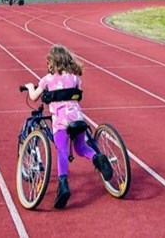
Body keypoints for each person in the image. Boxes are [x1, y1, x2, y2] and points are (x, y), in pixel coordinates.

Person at [22, 45, 113, 208]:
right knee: (81, 147)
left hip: (61, 122)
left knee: (62, 151)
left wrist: (30, 87)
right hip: (77, 118)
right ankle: (97, 158)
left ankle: (63, 185)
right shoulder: (74, 78)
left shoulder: (47, 79)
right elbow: (78, 94)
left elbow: (34, 97)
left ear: (52, 62)